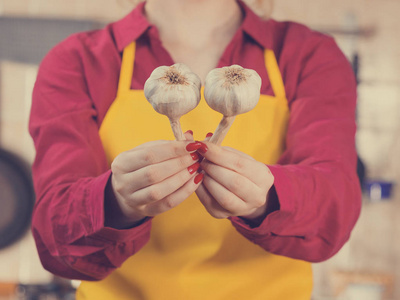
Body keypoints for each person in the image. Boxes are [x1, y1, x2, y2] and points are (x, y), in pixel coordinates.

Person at [29, 0, 362, 299]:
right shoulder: (77, 61)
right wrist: (117, 202)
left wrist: (267, 198)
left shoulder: (307, 54)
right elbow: (54, 238)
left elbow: (335, 208)